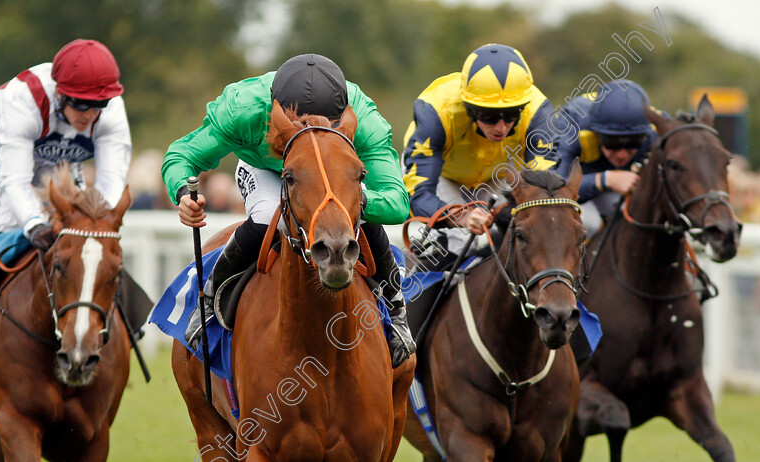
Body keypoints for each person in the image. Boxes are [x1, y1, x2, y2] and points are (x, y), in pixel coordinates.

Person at [162, 53, 415, 368]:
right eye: (299, 129)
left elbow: (397, 203)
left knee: (356, 213)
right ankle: (210, 300)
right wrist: (183, 193)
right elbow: (182, 155)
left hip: (334, 175)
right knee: (269, 212)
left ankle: (395, 307)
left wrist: (352, 203)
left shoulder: (364, 118)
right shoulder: (244, 109)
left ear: (343, 119)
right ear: (275, 113)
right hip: (267, 170)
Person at [0, 39, 132, 344]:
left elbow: (111, 183)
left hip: (62, 153)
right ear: (60, 93)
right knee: (12, 220)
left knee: (88, 232)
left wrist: (93, 226)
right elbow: (16, 181)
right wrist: (34, 224)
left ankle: (122, 317)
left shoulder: (112, 111)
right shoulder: (23, 100)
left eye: (99, 105)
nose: (90, 115)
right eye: (81, 104)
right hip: (4, 140)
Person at [401, 43, 558, 261]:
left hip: (494, 177)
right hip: (442, 178)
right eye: (489, 116)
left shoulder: (537, 111)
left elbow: (546, 188)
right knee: (460, 238)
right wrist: (460, 216)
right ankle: (415, 291)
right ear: (469, 108)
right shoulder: (436, 110)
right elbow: (419, 195)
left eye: (512, 114)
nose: (501, 128)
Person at [552, 79, 657, 236]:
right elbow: (552, 189)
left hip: (615, 195)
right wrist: (605, 179)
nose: (622, 154)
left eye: (633, 142)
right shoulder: (571, 123)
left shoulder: (654, 129)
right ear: (596, 133)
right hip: (578, 195)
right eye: (612, 142)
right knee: (589, 222)